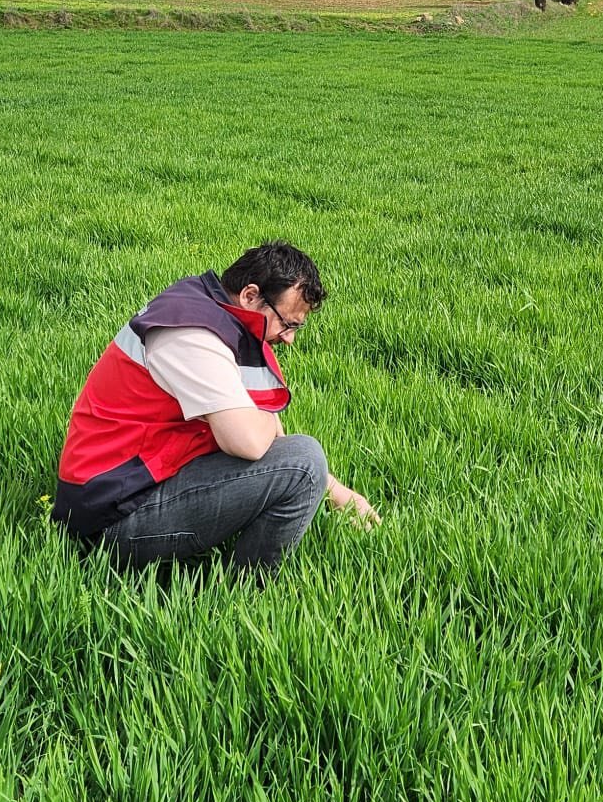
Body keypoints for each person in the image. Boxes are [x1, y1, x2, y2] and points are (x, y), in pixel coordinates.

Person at [52, 240, 379, 575]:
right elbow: (249, 443)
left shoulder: (216, 313)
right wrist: (264, 417)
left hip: (124, 488)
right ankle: (249, 594)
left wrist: (339, 493)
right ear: (251, 296)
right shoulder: (194, 335)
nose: (289, 338)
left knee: (296, 456)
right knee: (304, 462)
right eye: (288, 323)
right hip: (111, 520)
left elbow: (266, 437)